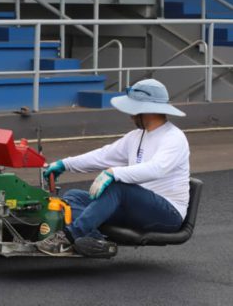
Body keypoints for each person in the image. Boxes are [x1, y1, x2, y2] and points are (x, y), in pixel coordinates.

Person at [37, 79, 190, 257]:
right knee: (73, 198)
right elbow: (104, 155)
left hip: (167, 214)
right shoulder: (136, 136)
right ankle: (97, 242)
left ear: (146, 109)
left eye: (133, 109)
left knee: (118, 187)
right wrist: (65, 163)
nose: (130, 115)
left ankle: (69, 237)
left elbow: (156, 169)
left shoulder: (174, 138)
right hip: (137, 208)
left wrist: (114, 173)